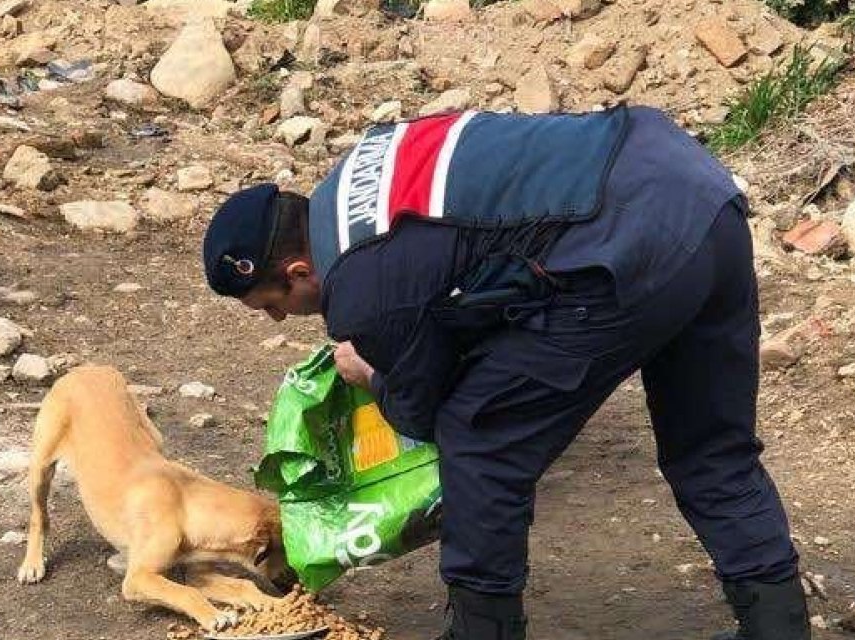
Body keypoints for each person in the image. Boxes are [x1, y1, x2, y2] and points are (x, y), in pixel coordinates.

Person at [201, 105, 809, 640]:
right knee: (711, 448)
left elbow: (421, 410)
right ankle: (777, 628)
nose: (281, 320)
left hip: (626, 246)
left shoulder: (360, 287)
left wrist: (369, 372)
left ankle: (480, 631)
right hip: (695, 189)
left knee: (480, 439)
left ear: (301, 270)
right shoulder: (365, 162)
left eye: (273, 305)